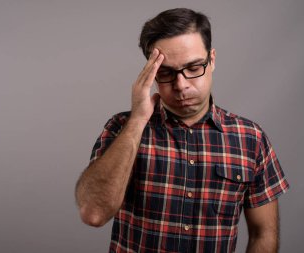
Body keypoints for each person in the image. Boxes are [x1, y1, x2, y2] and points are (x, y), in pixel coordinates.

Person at [75, 8, 289, 253]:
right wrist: (137, 120)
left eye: (194, 67)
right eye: (166, 73)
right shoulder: (120, 129)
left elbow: (264, 234)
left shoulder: (251, 139)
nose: (181, 84)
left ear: (213, 59)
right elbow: (94, 213)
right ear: (151, 73)